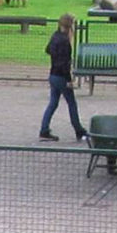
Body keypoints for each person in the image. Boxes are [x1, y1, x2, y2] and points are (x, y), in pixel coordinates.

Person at [39, 13, 88, 142]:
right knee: (71, 103)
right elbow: (65, 63)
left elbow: (48, 50)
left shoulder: (55, 36)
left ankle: (44, 130)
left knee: (53, 103)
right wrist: (69, 80)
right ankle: (79, 131)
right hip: (61, 76)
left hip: (53, 75)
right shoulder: (65, 42)